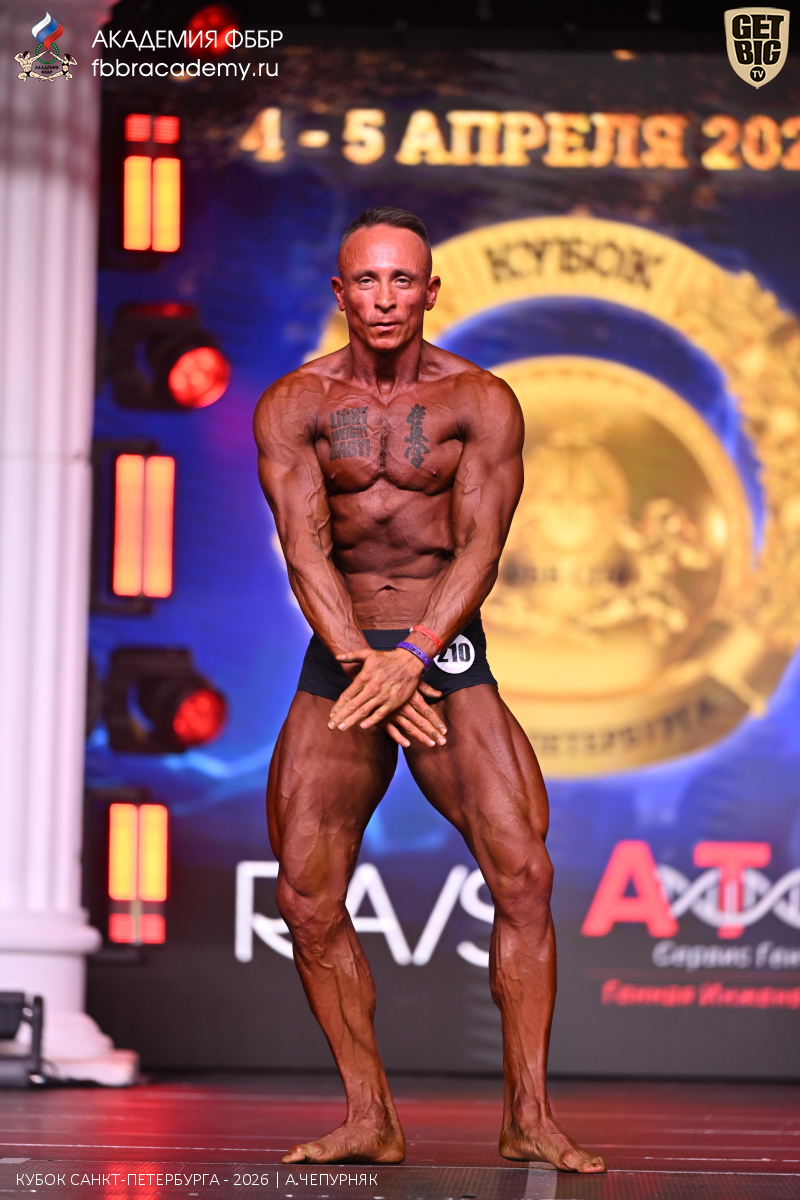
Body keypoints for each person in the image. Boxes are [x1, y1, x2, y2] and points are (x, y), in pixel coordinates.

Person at [254, 206, 605, 1174]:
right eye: (366, 280)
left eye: (402, 280)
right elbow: (304, 551)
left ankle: (529, 1117)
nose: (384, 298)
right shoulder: (293, 404)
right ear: (340, 292)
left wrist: (412, 657)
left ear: (430, 291)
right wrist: (366, 667)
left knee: (523, 874)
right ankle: (369, 1115)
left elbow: (481, 549)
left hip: (441, 648)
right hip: (343, 652)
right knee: (306, 896)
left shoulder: (479, 401)